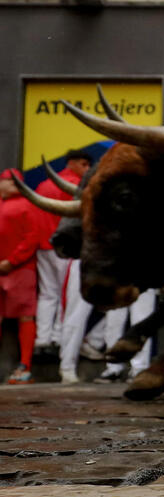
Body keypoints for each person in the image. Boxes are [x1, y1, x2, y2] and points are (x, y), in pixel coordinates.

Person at [31, 149, 91, 359]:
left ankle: (42, 338)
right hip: (64, 249)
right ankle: (58, 337)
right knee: (66, 294)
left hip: (42, 246)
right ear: (73, 163)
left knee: (48, 294)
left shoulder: (43, 185)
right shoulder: (79, 188)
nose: (87, 170)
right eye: (84, 164)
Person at [1, 170, 41, 383]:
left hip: (21, 269)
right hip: (4, 267)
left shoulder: (27, 204)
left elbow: (32, 237)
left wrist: (12, 261)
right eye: (8, 181)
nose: (10, 185)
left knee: (25, 316)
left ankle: (25, 366)